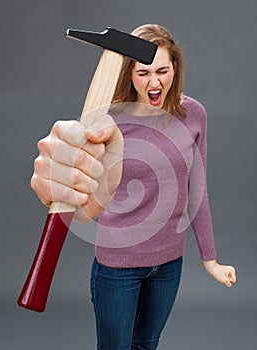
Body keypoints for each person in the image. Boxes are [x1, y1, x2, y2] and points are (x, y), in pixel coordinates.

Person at [31, 24, 236, 350]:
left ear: (175, 70)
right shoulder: (108, 122)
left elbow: (198, 190)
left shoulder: (193, 114)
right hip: (117, 267)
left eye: (162, 71)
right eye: (143, 73)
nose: (154, 82)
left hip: (169, 265)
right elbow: (87, 202)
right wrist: (65, 184)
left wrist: (210, 260)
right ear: (129, 74)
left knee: (146, 345)